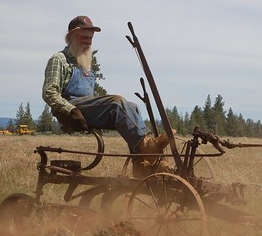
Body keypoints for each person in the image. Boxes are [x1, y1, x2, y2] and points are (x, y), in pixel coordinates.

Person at [42, 15, 172, 177]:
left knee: (133, 107)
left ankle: (140, 163)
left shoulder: (84, 63)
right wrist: (71, 110)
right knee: (117, 102)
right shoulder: (59, 60)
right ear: (72, 36)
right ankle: (148, 147)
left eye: (90, 39)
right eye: (84, 37)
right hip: (71, 111)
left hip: (84, 109)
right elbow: (49, 92)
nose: (88, 42)